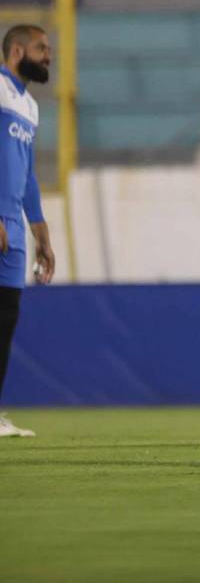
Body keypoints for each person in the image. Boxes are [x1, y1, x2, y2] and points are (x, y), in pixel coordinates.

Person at [0, 25, 56, 439]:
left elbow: (29, 176)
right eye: (42, 48)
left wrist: (42, 235)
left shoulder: (30, 107)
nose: (49, 55)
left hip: (14, 231)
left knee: (5, 321)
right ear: (17, 50)